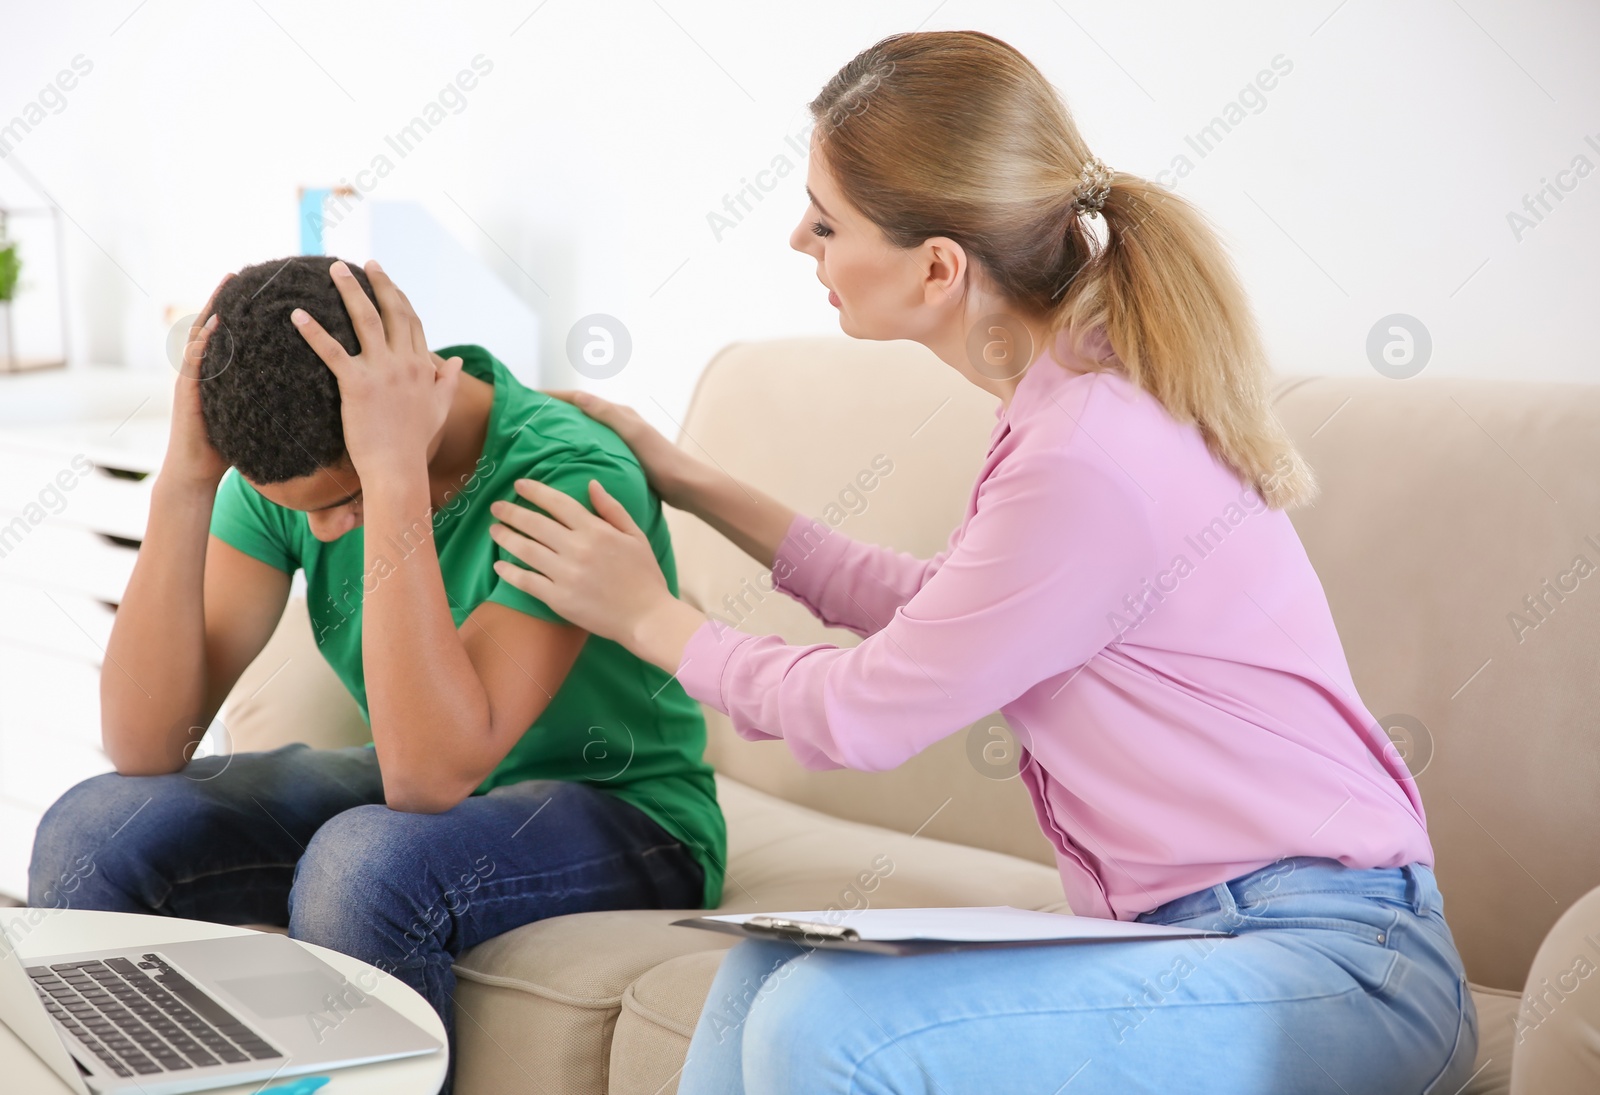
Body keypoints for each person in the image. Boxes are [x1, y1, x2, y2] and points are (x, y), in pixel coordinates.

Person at [479, 30, 1479, 1095]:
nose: (795, 239)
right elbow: (951, 616)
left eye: (826, 220)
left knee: (826, 1024)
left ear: (938, 267)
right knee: (769, 970)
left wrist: (652, 619)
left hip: (1333, 967)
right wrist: (697, 483)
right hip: (1194, 941)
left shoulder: (1088, 452)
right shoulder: (1068, 406)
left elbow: (867, 712)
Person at [27, 254, 724, 1093]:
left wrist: (393, 480)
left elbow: (428, 777)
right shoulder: (297, 478)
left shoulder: (565, 472)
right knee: (94, 827)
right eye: (306, 510)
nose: (326, 533)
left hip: (626, 808)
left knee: (364, 865)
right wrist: (184, 481)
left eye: (343, 501)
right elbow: (144, 742)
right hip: (414, 773)